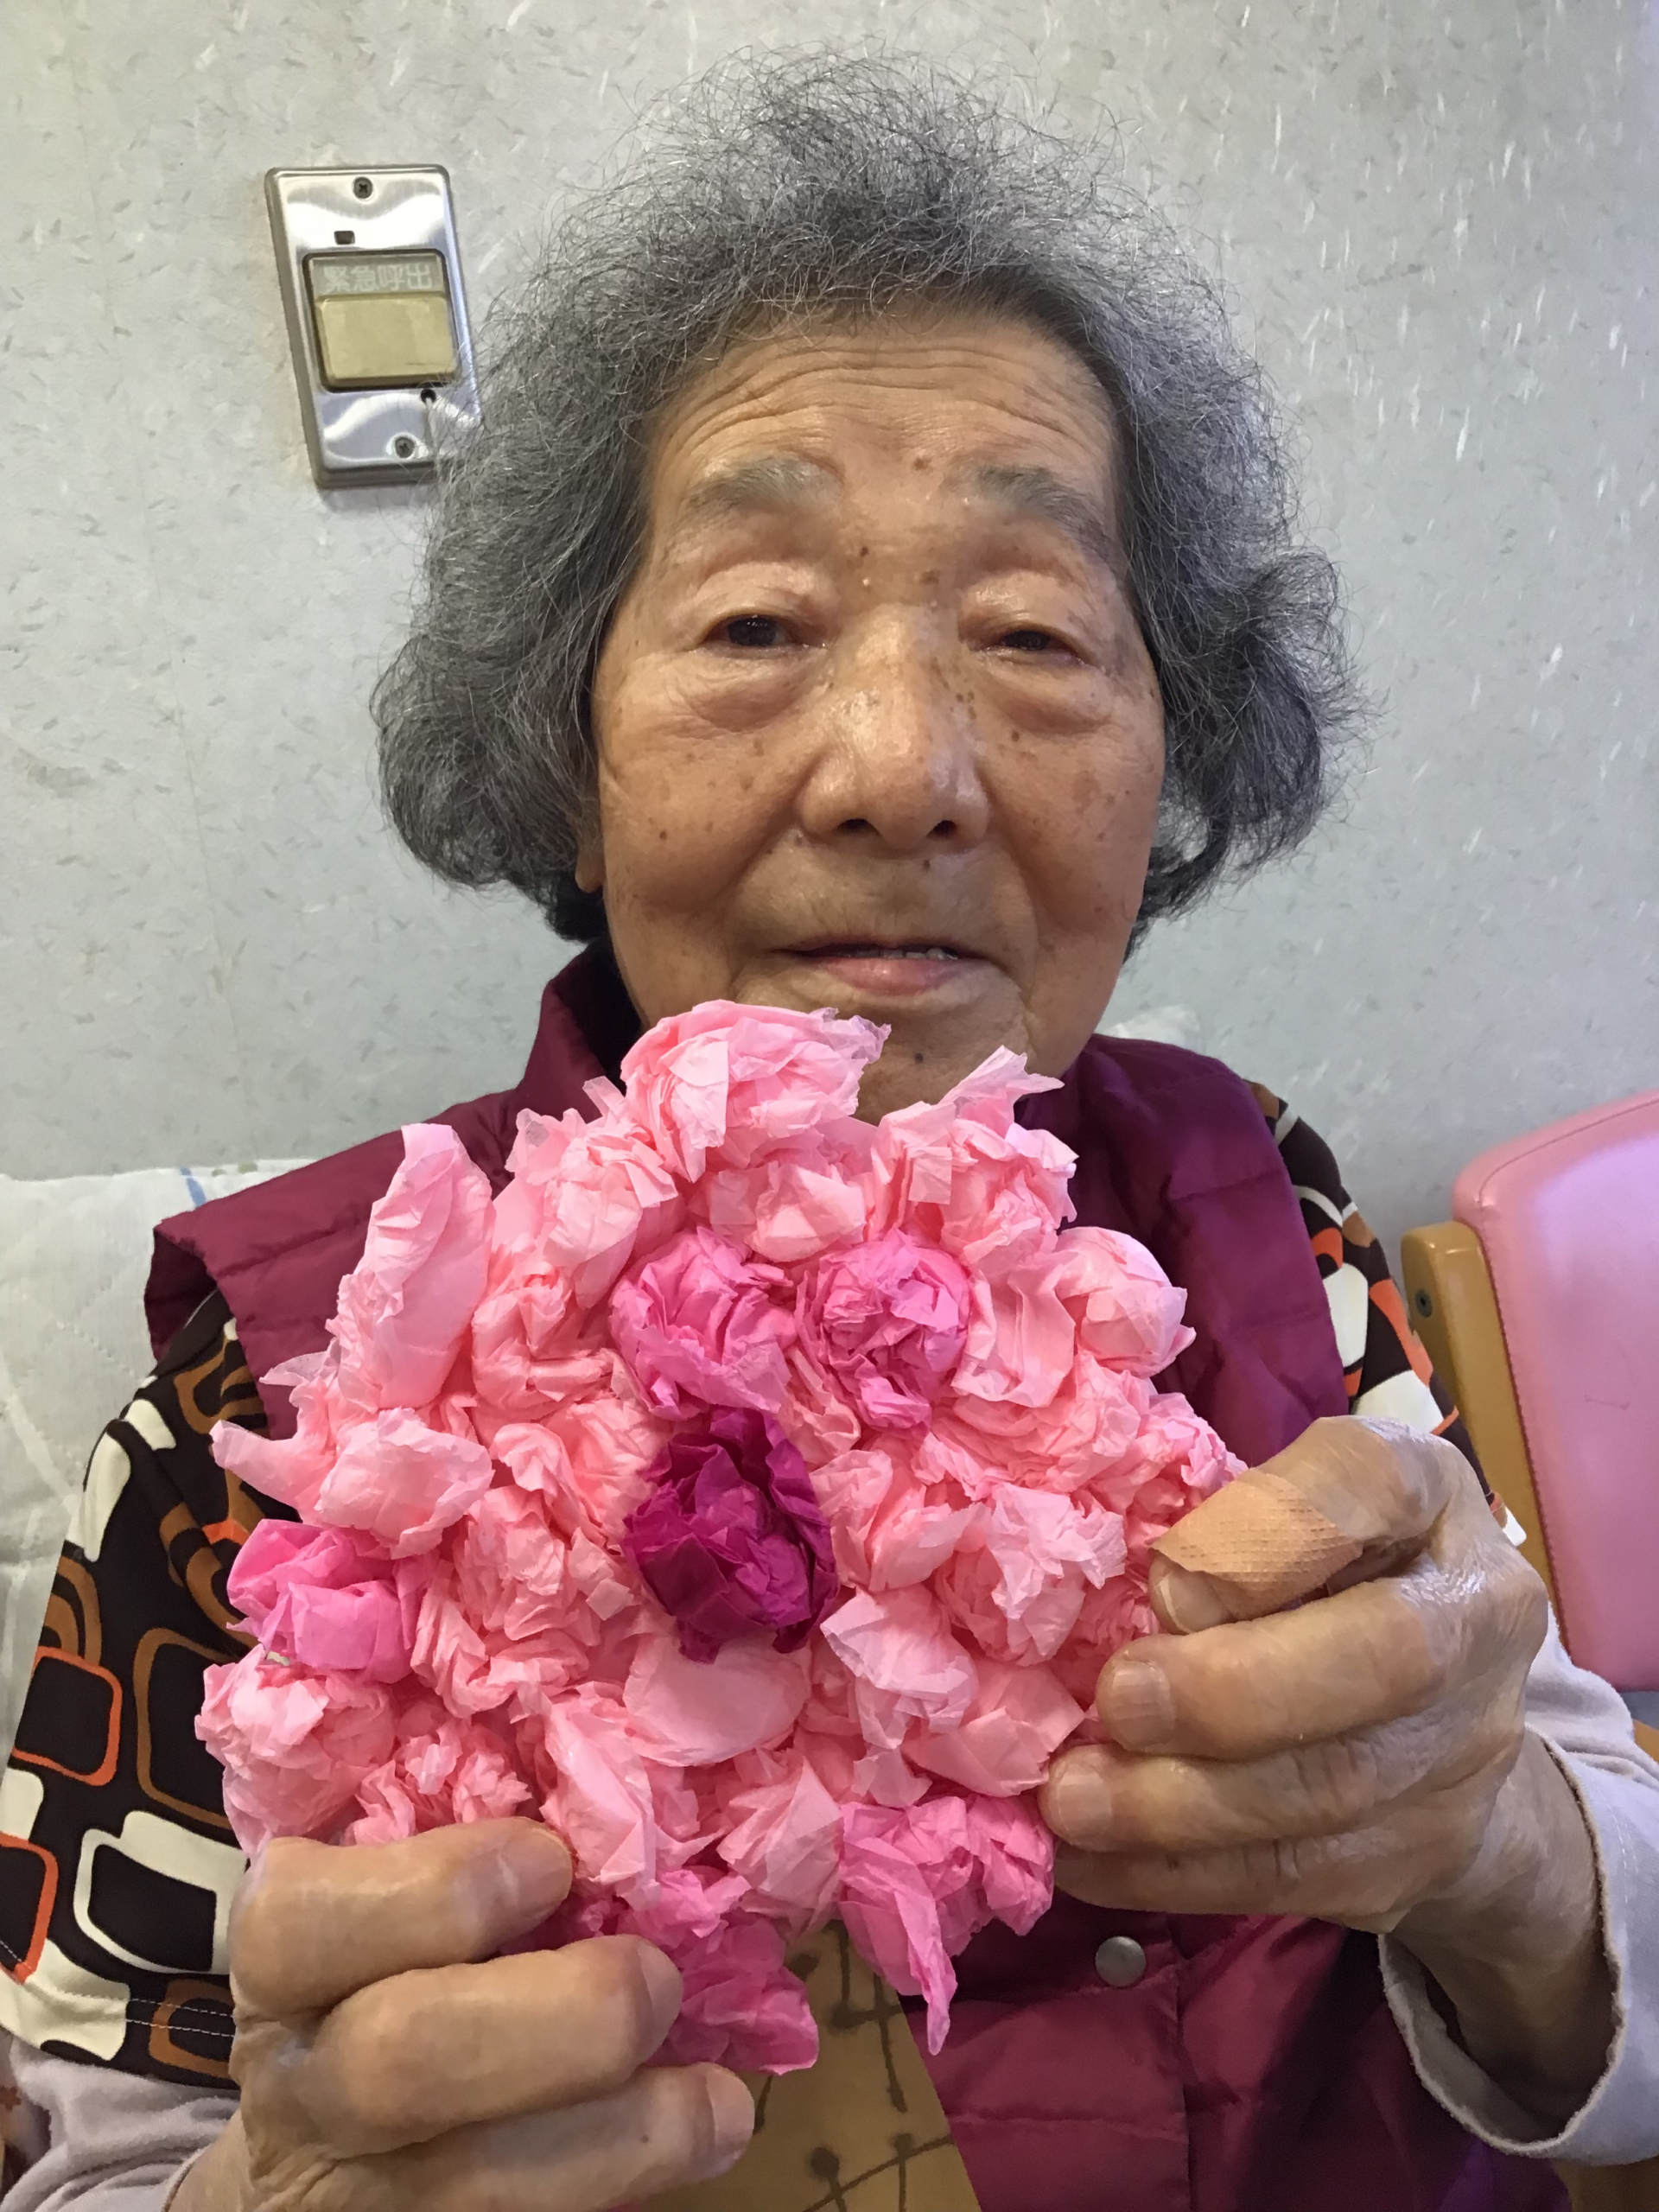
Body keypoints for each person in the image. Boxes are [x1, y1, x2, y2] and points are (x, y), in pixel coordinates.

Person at [3, 54, 1656, 2212]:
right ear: (567, 754)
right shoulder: (263, 1417)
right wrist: (285, 2189)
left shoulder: (1270, 1213)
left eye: (1035, 630)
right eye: (759, 622)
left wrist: (1500, 1841)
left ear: (1173, 757)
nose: (901, 769)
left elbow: (1624, 1972)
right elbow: (86, 2155)